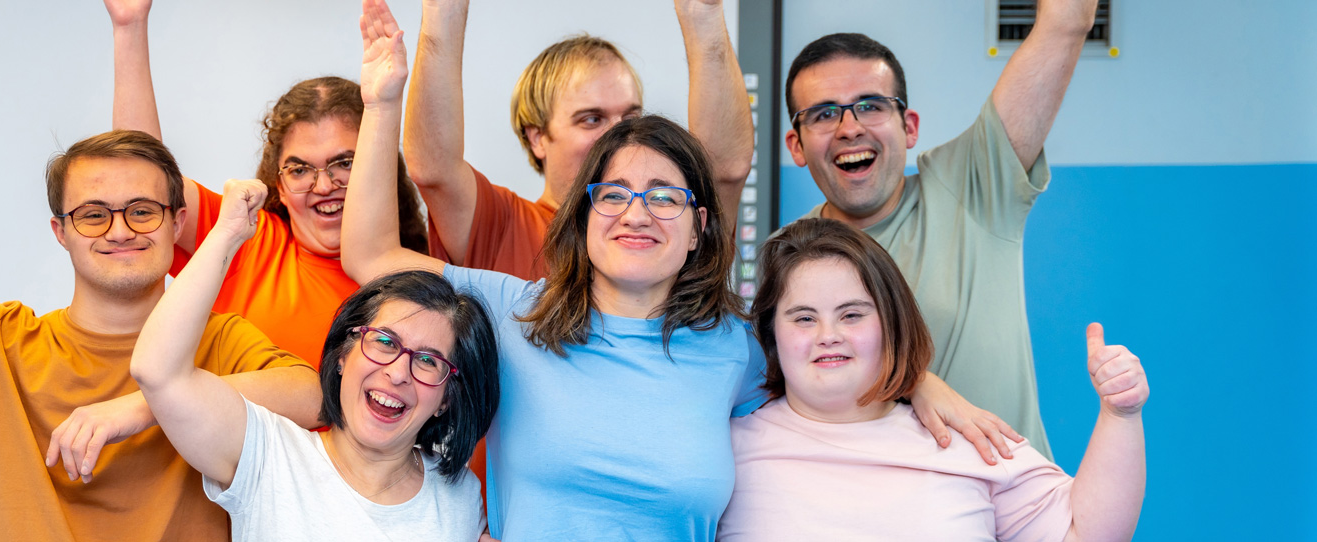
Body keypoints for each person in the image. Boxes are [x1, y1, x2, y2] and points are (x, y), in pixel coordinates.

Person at [341, 3, 1015, 539]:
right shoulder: (516, 312)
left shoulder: (735, 348)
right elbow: (371, 255)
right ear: (583, 217)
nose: (638, 213)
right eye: (615, 194)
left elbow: (832, 373)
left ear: (698, 228)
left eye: (664, 196)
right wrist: (382, 100)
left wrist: (919, 382)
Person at [0, 7, 320, 540]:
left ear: (177, 223)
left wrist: (144, 405)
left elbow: (311, 393)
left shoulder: (220, 343)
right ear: (59, 231)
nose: (119, 230)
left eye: (142, 210)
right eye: (92, 214)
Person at [781, 0, 1102, 459]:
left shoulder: (974, 183)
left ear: (908, 127)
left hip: (1013, 512)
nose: (849, 128)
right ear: (797, 144)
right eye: (824, 114)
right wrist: (917, 383)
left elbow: (1067, 20)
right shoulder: (789, 256)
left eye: (871, 106)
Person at [718, 217, 1148, 541]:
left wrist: (1120, 413)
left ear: (891, 322)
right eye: (804, 318)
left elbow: (1087, 533)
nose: (829, 336)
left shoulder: (968, 439)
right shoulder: (722, 450)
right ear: (772, 333)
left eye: (852, 314)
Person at [131, 175, 498, 540]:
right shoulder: (267, 453)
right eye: (385, 341)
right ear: (342, 354)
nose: (399, 372)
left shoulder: (460, 498)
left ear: (446, 399)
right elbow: (157, 372)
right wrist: (226, 233)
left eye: (428, 361)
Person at [103, 0, 429, 365]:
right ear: (280, 186)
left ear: (378, 166)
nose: (323, 186)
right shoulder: (247, 241)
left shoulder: (418, 278)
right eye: (300, 169)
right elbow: (143, 182)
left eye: (344, 163)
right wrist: (129, 27)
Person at [404, 0, 754, 281]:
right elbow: (434, 168)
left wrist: (703, 16)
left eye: (629, 117)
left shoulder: (666, 226)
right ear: (537, 137)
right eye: (592, 119)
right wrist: (442, 12)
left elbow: (722, 169)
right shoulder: (504, 223)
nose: (619, 135)